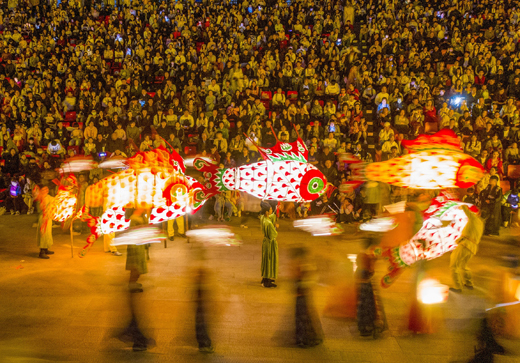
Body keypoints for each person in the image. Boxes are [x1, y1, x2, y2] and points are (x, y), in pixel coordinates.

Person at [292, 247, 323, 348]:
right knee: (305, 317)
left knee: (302, 317)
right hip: (303, 296)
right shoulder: (302, 265)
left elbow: (299, 281)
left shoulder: (300, 265)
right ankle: (304, 338)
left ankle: (302, 338)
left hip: (301, 296)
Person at [449, 206, 484, 293]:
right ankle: (469, 284)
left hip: (465, 245)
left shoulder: (474, 219)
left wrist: (463, 206)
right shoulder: (480, 223)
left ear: (478, 213)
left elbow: (467, 211)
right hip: (472, 247)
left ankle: (458, 287)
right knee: (464, 266)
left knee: (454, 265)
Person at [126, 208, 149, 293]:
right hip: (135, 245)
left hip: (139, 244)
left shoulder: (141, 216)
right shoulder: (134, 218)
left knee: (138, 265)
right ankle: (132, 284)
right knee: (136, 266)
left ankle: (133, 283)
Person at [260, 205, 279, 288]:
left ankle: (265, 278)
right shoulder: (268, 223)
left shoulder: (262, 218)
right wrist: (276, 227)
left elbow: (271, 216)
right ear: (267, 211)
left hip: (265, 242)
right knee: (269, 261)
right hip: (270, 243)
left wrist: (276, 209)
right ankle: (267, 281)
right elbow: (274, 234)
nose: (271, 211)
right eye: (270, 209)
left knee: (265, 261)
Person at [35, 186, 55, 259]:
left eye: (47, 189)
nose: (46, 190)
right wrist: (42, 200)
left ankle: (46, 248)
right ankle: (42, 252)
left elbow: (55, 201)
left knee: (48, 234)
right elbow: (39, 209)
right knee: (43, 234)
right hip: (43, 218)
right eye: (43, 189)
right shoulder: (39, 198)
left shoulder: (49, 197)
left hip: (48, 218)